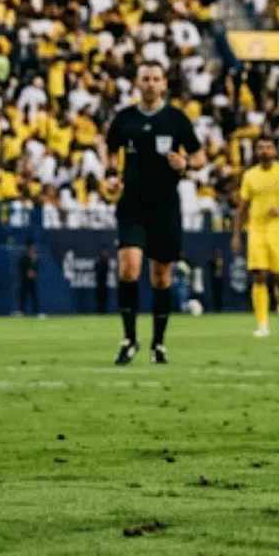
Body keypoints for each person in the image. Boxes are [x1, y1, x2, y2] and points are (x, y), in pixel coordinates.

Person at [103, 61, 204, 365]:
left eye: (155, 79)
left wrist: (186, 164)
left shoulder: (176, 119)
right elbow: (110, 149)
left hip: (165, 206)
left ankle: (158, 343)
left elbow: (199, 156)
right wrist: (112, 175)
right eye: (145, 78)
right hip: (132, 204)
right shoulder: (125, 119)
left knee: (161, 277)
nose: (150, 84)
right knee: (129, 268)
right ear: (137, 83)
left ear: (164, 84)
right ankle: (129, 339)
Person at [234, 138, 279, 337]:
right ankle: (262, 324)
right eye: (261, 147)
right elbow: (242, 207)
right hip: (256, 230)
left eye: (268, 147)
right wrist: (236, 235)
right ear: (256, 151)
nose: (264, 151)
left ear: (274, 150)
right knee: (259, 275)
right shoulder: (250, 176)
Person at [18, 244, 41, 317]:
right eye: (31, 250)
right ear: (28, 251)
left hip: (31, 282)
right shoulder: (24, 259)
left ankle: (35, 312)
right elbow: (26, 271)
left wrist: (33, 262)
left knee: (34, 296)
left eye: (33, 251)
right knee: (23, 297)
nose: (32, 252)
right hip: (24, 281)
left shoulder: (35, 259)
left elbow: (34, 271)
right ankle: (22, 312)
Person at [94, 248, 112, 314]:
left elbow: (106, 270)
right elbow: (95, 270)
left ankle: (104, 311)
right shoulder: (98, 262)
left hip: (104, 284)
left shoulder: (106, 263)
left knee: (104, 299)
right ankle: (99, 311)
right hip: (99, 284)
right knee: (99, 300)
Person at [209, 249, 227, 314]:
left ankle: (220, 308)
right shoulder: (212, 262)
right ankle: (216, 308)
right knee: (215, 294)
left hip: (220, 280)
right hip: (215, 280)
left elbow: (222, 269)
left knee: (220, 295)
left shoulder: (222, 261)